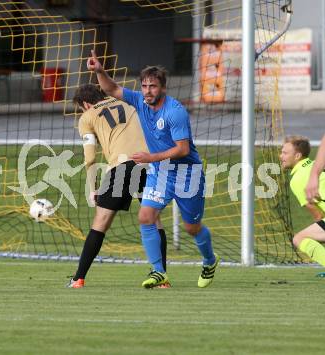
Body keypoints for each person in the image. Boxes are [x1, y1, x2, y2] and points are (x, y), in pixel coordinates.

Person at [87, 50, 219, 288]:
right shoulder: (140, 101)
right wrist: (99, 71)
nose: (148, 91)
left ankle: (210, 260)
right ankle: (159, 272)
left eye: (153, 86)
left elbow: (183, 149)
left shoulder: (174, 111)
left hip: (186, 175)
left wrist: (151, 156)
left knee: (192, 227)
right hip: (161, 173)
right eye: (145, 86)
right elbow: (112, 90)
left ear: (163, 88)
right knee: (146, 216)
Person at [67, 83, 168, 288]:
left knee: (101, 221)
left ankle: (78, 278)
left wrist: (92, 187)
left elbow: (89, 157)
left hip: (122, 166)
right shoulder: (128, 103)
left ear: (86, 104)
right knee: (154, 220)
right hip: (150, 164)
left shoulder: (87, 117)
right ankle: (161, 278)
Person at [280, 136, 325, 276]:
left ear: (297, 156)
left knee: (300, 238)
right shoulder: (320, 165)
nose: (281, 156)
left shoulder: (298, 179)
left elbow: (318, 216)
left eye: (285, 153)